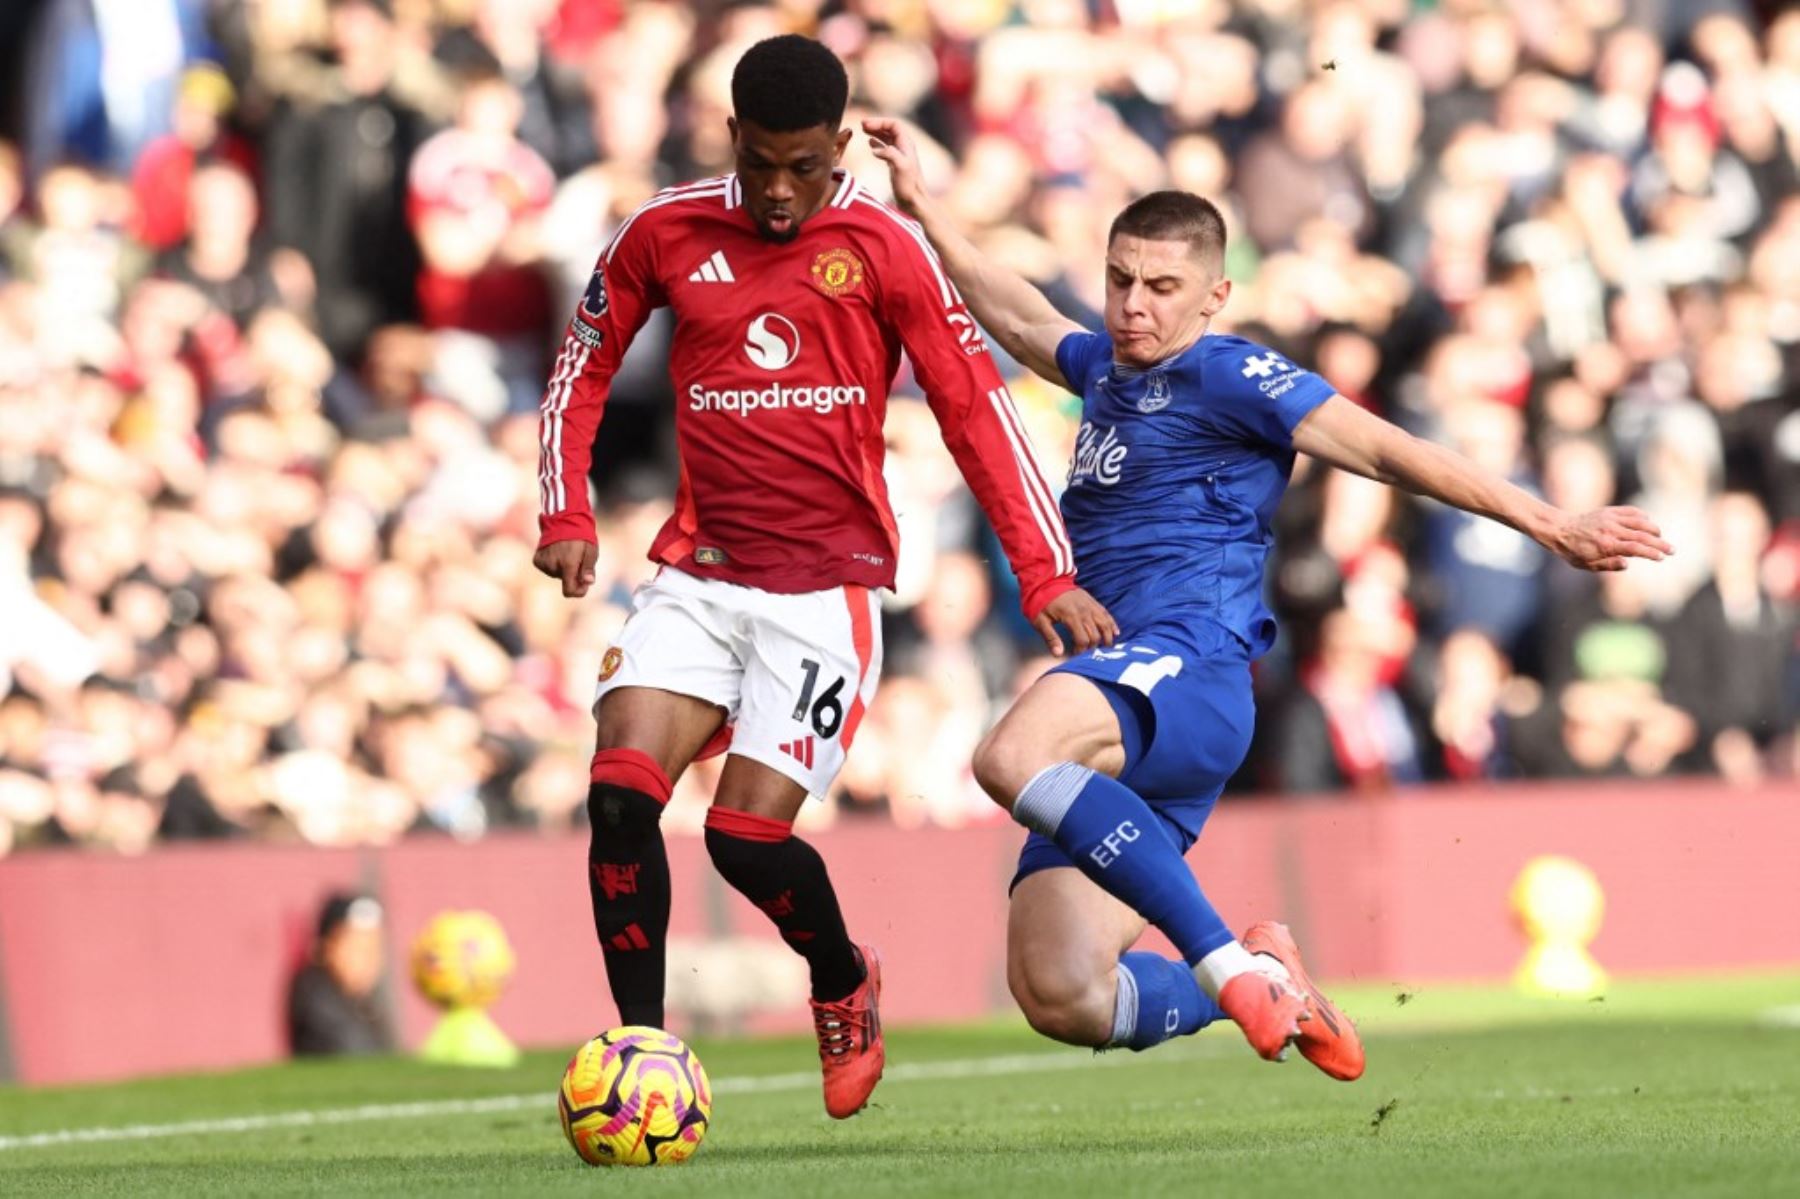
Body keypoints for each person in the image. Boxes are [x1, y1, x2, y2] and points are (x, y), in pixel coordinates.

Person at [866, 118, 1671, 1078]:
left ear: (1216, 295)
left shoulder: (1232, 372)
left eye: (1162, 288)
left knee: (1008, 754)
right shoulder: (1102, 371)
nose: (1133, 306)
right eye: (1121, 279)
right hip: (1118, 698)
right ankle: (1251, 975)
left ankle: (1231, 967)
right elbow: (1023, 316)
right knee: (1063, 992)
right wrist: (925, 210)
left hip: (1188, 664)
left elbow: (1384, 448)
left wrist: (1547, 521)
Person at [533, 36, 1113, 1120]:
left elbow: (975, 412)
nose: (784, 192)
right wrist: (566, 507)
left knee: (744, 838)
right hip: (698, 578)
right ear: (732, 142)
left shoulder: (885, 247)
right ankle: (641, 1057)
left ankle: (844, 977)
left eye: (805, 165)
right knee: (618, 798)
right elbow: (580, 367)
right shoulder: (663, 229)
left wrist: (1044, 576)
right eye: (763, 166)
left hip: (823, 594)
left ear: (841, 144)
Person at [287, 892, 396, 1057]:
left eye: (375, 945)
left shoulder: (360, 1000)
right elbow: (358, 1056)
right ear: (326, 947)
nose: (369, 957)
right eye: (357, 946)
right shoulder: (316, 996)